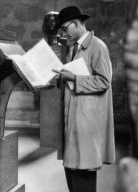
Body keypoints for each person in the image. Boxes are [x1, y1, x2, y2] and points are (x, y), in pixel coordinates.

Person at [52, 6, 115, 192]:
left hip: (86, 123)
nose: (64, 33)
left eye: (65, 28)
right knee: (73, 171)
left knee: (83, 172)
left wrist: (74, 78)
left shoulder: (98, 46)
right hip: (74, 120)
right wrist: (62, 78)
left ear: (77, 24)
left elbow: (104, 81)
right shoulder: (74, 48)